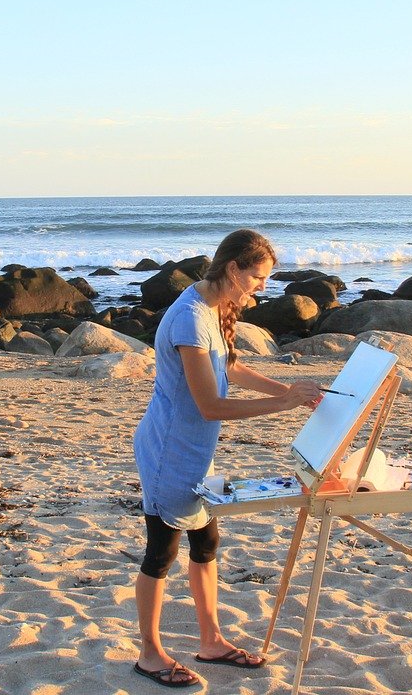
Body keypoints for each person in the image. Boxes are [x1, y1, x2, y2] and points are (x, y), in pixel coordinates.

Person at [132, 229, 322, 688]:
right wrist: (284, 404)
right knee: (161, 552)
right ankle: (150, 655)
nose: (263, 286)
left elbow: (230, 368)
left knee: (206, 544)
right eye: (258, 277)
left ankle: (211, 641)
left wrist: (291, 392)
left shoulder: (215, 307)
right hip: (168, 450)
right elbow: (210, 405)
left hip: (196, 450)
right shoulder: (190, 319)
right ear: (233, 268)